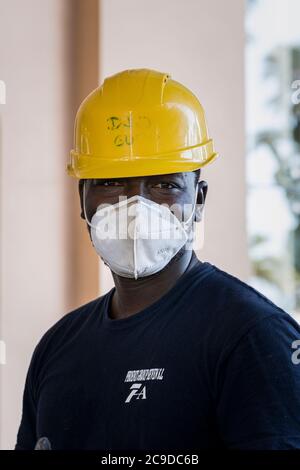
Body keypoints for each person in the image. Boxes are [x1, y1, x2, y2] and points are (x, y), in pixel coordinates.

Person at [15, 68, 300, 450]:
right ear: (82, 199)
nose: (136, 206)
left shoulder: (251, 336)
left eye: (165, 185)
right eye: (111, 181)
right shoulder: (57, 349)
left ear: (198, 201)